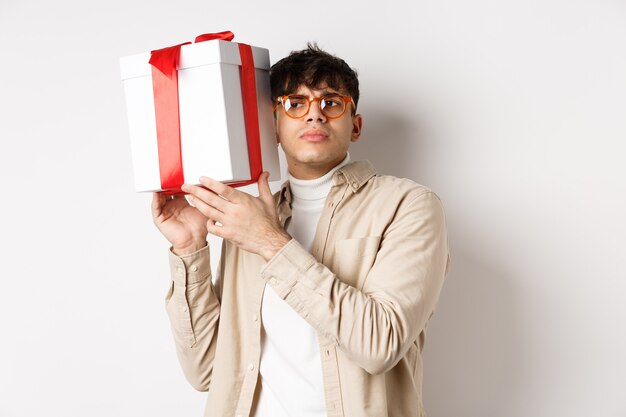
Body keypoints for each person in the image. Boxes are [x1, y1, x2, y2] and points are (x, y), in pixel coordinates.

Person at [151, 44, 450, 417]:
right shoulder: (252, 216)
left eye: (331, 103)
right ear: (272, 125)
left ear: (355, 126)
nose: (315, 115)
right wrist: (190, 248)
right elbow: (206, 369)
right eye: (295, 103)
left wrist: (269, 241)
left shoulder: (408, 205)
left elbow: (379, 345)